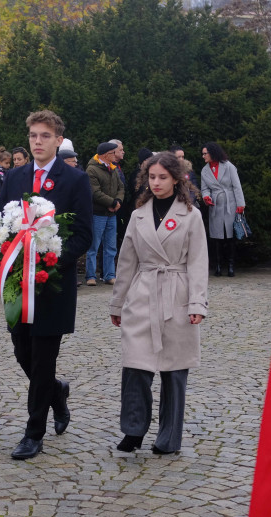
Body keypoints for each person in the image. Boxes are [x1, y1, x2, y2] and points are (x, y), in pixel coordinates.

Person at [0, 109, 94, 460]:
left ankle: (33, 433)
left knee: (42, 357)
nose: (38, 142)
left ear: (58, 140)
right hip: (18, 285)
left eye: (45, 136)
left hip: (52, 284)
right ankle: (56, 392)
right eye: (33, 135)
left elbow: (83, 234)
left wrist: (52, 260)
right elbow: (1, 221)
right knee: (23, 351)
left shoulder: (75, 180)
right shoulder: (14, 176)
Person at [109, 152, 208, 454]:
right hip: (142, 293)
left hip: (177, 295)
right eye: (152, 177)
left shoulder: (191, 216)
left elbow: (198, 261)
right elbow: (127, 261)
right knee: (135, 365)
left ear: (176, 179)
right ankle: (134, 430)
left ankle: (169, 437)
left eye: (163, 177)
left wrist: (197, 304)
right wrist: (117, 303)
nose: (156, 182)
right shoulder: (138, 215)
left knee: (174, 370)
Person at [200, 142, 245, 278]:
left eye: (205, 153)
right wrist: (206, 197)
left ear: (212, 153)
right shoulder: (204, 170)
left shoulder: (229, 166)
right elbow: (204, 188)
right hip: (215, 206)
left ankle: (231, 266)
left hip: (230, 204)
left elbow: (237, 186)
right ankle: (218, 266)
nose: (203, 156)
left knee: (230, 236)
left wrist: (240, 204)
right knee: (216, 237)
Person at [86, 141, 124, 286]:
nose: (116, 155)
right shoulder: (92, 170)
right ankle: (90, 276)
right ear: (106, 154)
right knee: (93, 246)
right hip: (98, 214)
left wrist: (118, 201)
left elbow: (121, 187)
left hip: (111, 215)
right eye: (113, 153)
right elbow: (95, 192)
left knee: (111, 246)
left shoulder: (113, 168)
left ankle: (109, 275)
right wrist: (112, 203)